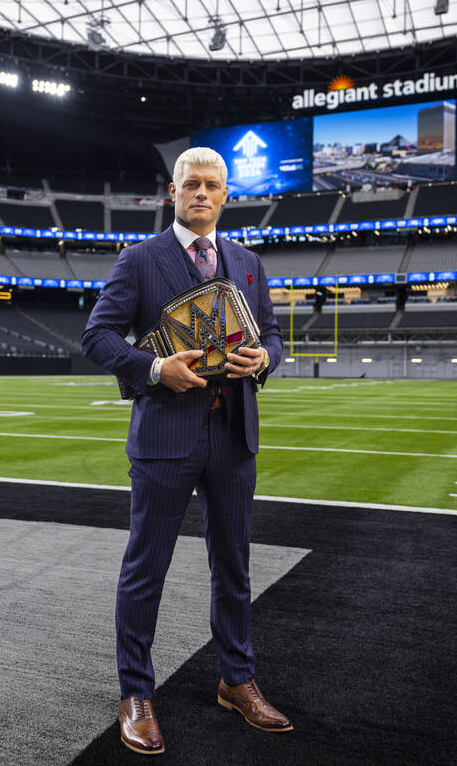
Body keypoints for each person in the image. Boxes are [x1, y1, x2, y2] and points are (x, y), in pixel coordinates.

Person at [81, 147, 291, 756]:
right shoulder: (139, 259)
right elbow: (96, 335)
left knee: (234, 569)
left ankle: (237, 679)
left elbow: (272, 334)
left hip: (233, 438)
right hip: (166, 436)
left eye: (212, 185)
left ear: (226, 195)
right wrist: (152, 368)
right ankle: (136, 692)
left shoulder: (248, 263)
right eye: (191, 184)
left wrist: (265, 359)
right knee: (146, 570)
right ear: (171, 194)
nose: (201, 193)